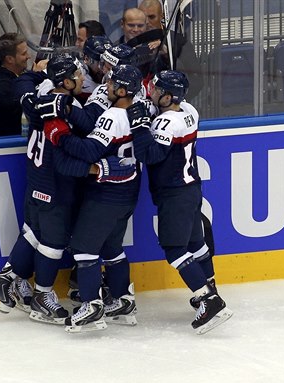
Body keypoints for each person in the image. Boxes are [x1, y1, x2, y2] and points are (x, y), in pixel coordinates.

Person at [0, 54, 85, 325]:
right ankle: (42, 296)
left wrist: (42, 73)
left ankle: (3, 281)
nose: (82, 77)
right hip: (54, 180)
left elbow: (26, 84)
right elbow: (87, 126)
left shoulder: (40, 93)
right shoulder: (62, 105)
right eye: (77, 74)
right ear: (65, 81)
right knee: (53, 241)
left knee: (34, 232)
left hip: (37, 177)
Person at [126, 70, 233, 335]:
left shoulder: (165, 124)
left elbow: (150, 154)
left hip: (174, 193)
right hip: (191, 188)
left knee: (174, 249)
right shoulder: (189, 110)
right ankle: (209, 287)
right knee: (196, 243)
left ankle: (209, 300)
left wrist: (140, 125)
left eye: (158, 90)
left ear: (169, 97)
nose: (153, 92)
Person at [41, 64, 144, 332]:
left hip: (106, 194)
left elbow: (88, 150)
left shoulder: (112, 117)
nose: (105, 87)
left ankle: (90, 306)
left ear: (122, 90)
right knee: (112, 247)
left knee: (84, 247)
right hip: (128, 191)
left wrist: (59, 136)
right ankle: (122, 301)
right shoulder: (142, 110)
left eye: (111, 85)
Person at [137, 0, 203, 99]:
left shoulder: (180, 43)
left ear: (162, 16)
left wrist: (168, 56)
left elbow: (197, 82)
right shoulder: (131, 41)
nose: (147, 22)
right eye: (142, 18)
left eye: (151, 17)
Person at [0, 33, 31, 137]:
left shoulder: (21, 75)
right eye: (24, 54)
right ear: (9, 59)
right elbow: (15, 106)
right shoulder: (0, 83)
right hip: (7, 145)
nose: (28, 56)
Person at [77, 35, 112, 104]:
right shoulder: (74, 76)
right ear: (86, 59)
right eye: (101, 63)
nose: (105, 69)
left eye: (109, 63)